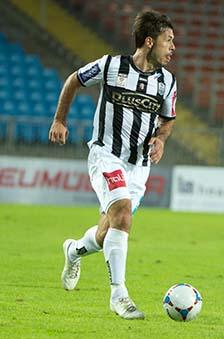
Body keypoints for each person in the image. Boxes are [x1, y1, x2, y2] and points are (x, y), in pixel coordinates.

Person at [49, 10, 177, 320]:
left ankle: (74, 250)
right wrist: (59, 120)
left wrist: (160, 139)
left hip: (139, 166)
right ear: (149, 41)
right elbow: (73, 80)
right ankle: (119, 295)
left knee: (109, 233)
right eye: (168, 40)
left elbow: (168, 121)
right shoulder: (110, 66)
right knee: (122, 215)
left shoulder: (167, 82)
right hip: (106, 154)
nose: (173, 47)